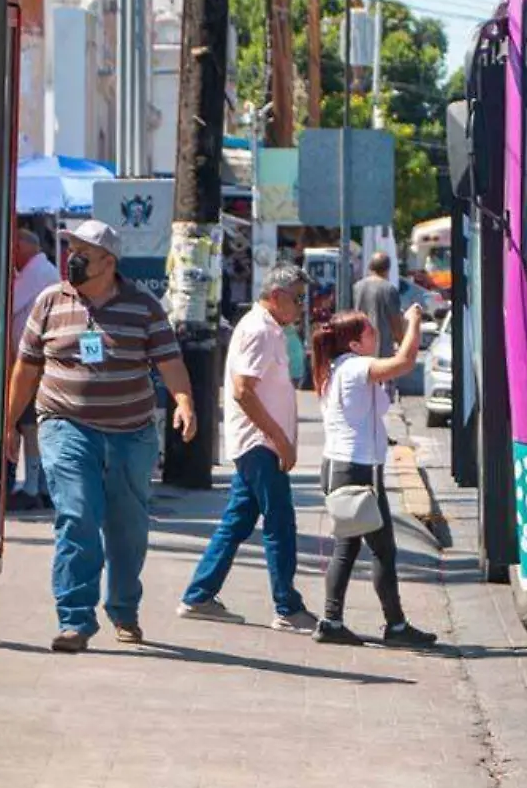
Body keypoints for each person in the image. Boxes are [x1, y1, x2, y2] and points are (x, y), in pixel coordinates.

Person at [3, 220, 197, 653]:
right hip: (64, 423)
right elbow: (26, 368)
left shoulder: (143, 306)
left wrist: (184, 402)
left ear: (109, 262)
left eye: (82, 252)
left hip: (131, 433)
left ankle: (124, 609)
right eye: (69, 248)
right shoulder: (49, 302)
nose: (71, 258)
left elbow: (170, 361)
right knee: (77, 514)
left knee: (127, 529)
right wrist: (8, 423)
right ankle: (75, 619)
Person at [177, 264, 318, 632]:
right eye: (298, 299)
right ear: (276, 296)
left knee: (237, 522)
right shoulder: (260, 330)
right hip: (260, 443)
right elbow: (243, 391)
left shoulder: (271, 329)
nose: (302, 307)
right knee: (280, 522)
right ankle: (287, 606)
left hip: (259, 442)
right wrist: (280, 439)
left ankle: (199, 594)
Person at [307, 305, 436, 648]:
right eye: (368, 331)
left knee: (347, 548)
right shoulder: (353, 368)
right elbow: (405, 362)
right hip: (355, 470)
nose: (374, 334)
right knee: (382, 551)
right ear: (354, 343)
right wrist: (414, 323)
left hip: (348, 467)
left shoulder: (342, 367)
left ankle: (332, 621)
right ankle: (394, 626)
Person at [9, 228, 61, 510]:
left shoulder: (38, 271)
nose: (12, 254)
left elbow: (9, 303)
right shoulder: (41, 271)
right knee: (31, 426)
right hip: (31, 360)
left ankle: (32, 487)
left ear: (23, 246)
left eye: (14, 247)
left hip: (34, 363)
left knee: (30, 425)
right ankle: (37, 485)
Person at [350, 251, 404, 359]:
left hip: (360, 346)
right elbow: (395, 322)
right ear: (388, 269)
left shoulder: (357, 287)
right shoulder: (389, 289)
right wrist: (401, 343)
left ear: (370, 267)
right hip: (382, 350)